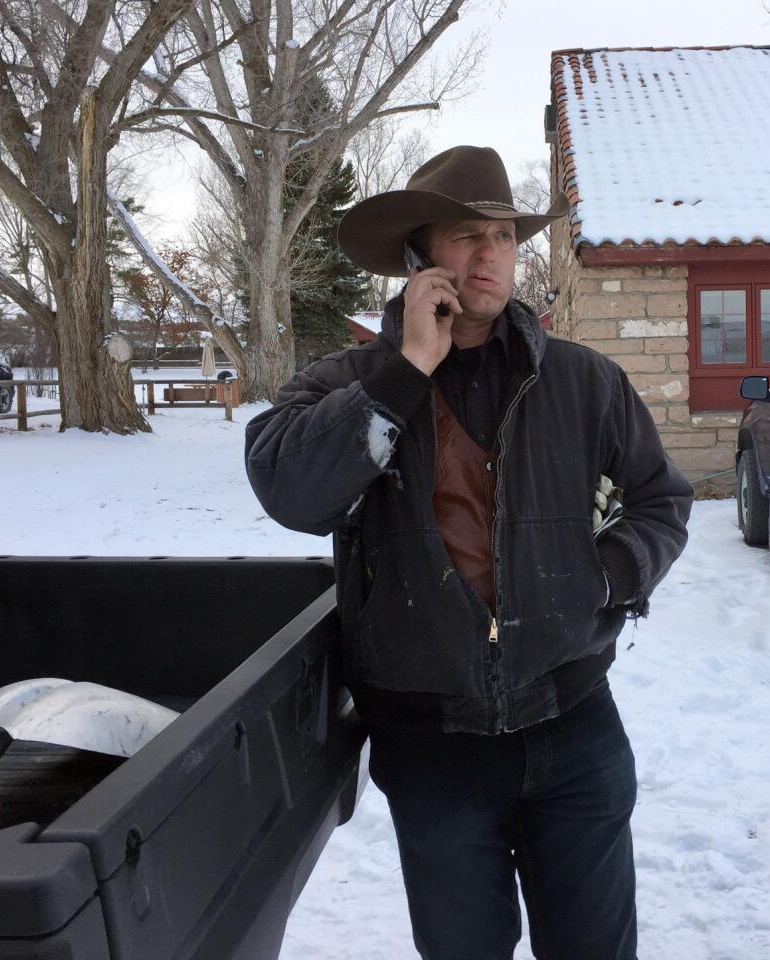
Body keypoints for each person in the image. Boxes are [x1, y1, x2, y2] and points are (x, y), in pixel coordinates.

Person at [244, 145, 693, 960]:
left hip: (575, 726)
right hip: (432, 746)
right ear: (421, 256)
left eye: (505, 237)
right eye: (464, 236)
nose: (489, 256)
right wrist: (407, 367)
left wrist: (608, 574)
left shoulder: (584, 381)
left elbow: (662, 500)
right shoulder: (346, 383)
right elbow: (291, 494)